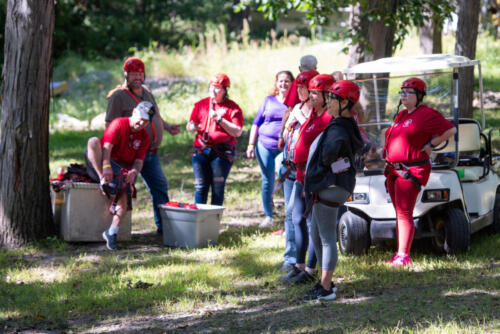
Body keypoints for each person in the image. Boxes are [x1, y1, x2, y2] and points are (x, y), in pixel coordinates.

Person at [383, 77, 456, 266]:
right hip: (394, 170)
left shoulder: (427, 114)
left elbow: (450, 130)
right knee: (399, 212)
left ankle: (404, 255)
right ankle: (400, 252)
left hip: (411, 170)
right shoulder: (402, 115)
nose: (404, 95)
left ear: (419, 96)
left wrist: (431, 144)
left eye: (409, 92)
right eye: (402, 92)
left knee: (404, 212)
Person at [303, 80, 364, 301]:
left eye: (332, 99)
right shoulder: (342, 124)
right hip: (331, 185)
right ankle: (324, 281)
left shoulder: (339, 127)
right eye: (327, 97)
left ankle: (326, 288)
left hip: (330, 186)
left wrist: (324, 162)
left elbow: (329, 154)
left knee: (327, 237)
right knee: (317, 235)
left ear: (345, 102)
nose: (328, 102)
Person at [106, 57, 181, 235]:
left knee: (160, 186)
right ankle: (115, 231)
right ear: (126, 74)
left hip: (151, 153)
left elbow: (155, 115)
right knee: (124, 190)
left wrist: (167, 127)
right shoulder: (118, 96)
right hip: (130, 154)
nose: (137, 78)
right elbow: (110, 125)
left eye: (140, 74)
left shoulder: (146, 91)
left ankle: (163, 228)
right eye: (133, 74)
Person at [278, 74, 334, 284]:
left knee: (312, 223)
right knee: (296, 217)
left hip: (313, 177)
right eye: (307, 91)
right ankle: (299, 265)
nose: (308, 95)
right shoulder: (313, 115)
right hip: (300, 173)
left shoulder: (327, 118)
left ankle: (310, 270)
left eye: (313, 92)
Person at [85, 101, 155, 250]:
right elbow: (106, 149)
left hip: (122, 168)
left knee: (125, 189)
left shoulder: (144, 137)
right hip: (103, 159)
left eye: (146, 121)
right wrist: (106, 168)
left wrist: (134, 172)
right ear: (134, 112)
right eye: (141, 118)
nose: (142, 123)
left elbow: (138, 161)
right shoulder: (118, 124)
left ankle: (112, 232)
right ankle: (102, 179)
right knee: (93, 142)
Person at [186, 73, 244, 206]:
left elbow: (237, 131)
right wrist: (192, 127)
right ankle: (199, 218)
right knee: (201, 186)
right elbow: (189, 126)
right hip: (201, 150)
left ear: (225, 90)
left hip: (222, 152)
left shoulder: (232, 108)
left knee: (217, 187)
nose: (213, 90)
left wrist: (220, 119)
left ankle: (213, 220)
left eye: (217, 88)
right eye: (211, 87)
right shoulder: (201, 105)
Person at [246, 71, 294, 228]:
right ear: (276, 83)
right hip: (264, 145)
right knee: (267, 180)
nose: (283, 84)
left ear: (292, 83)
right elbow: (256, 123)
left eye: (287, 81)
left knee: (285, 177)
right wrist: (251, 144)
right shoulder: (268, 100)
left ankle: (290, 214)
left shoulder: (295, 102)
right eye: (281, 81)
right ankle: (269, 216)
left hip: (285, 147)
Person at [278, 55, 318, 151]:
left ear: (300, 68)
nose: (299, 90)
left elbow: (288, 110)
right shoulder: (320, 81)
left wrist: (281, 136)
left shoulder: (298, 82)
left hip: (301, 136)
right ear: (316, 68)